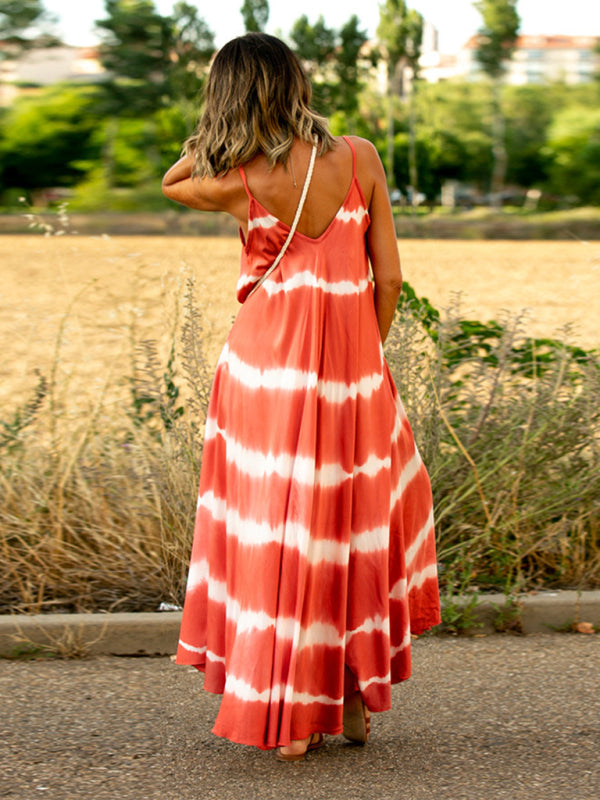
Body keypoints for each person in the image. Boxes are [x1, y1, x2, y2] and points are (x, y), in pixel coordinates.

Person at [162, 32, 441, 761]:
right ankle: (349, 699)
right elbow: (389, 281)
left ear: (229, 96)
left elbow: (173, 177)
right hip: (354, 373)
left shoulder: (234, 176)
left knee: (275, 531)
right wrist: (363, 359)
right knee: (347, 529)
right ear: (299, 81)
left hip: (263, 371)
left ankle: (284, 716)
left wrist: (222, 129)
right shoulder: (362, 158)